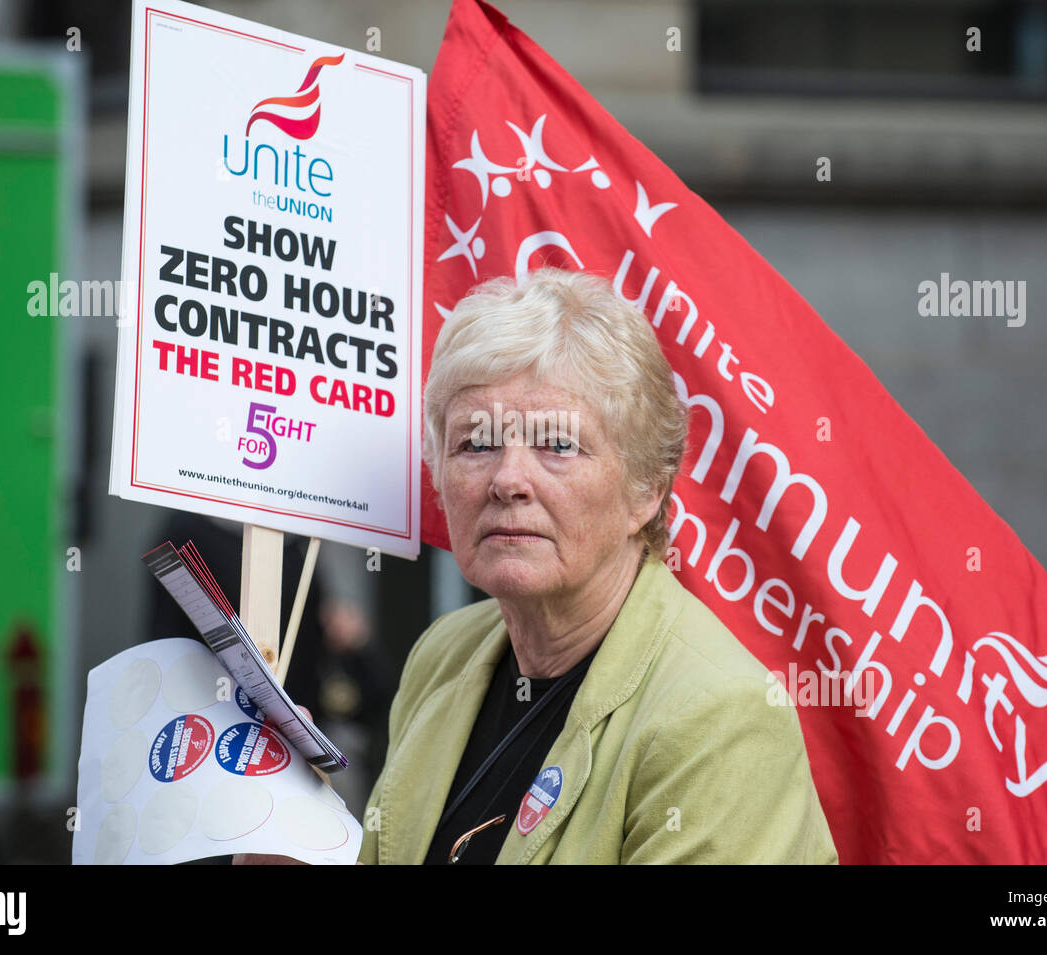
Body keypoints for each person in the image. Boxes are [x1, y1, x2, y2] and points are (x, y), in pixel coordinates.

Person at [353, 267, 838, 864]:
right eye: (476, 442)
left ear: (646, 491)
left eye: (557, 444)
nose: (508, 480)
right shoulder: (441, 656)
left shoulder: (721, 716)